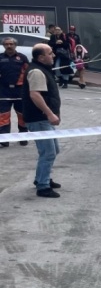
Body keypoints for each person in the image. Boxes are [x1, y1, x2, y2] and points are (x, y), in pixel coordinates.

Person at [23, 43, 62, 198]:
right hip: (38, 118)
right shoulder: (37, 72)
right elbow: (35, 95)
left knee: (53, 150)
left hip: (43, 118)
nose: (53, 55)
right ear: (41, 57)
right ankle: (43, 186)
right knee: (48, 152)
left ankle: (41, 178)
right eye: (50, 53)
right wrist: (50, 114)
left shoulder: (43, 69)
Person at [0, 37, 29, 147]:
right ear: (4, 45)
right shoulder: (0, 57)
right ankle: (4, 140)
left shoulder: (22, 58)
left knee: (22, 115)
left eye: (11, 44)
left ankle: (23, 137)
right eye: (7, 44)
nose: (9, 46)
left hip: (19, 90)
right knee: (3, 115)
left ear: (15, 45)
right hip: (3, 90)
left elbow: (28, 73)